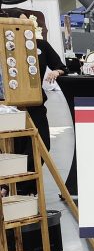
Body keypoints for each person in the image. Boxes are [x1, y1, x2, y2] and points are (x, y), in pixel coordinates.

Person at [0, 11, 67, 194]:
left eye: (26, 23)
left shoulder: (40, 45)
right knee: (12, 149)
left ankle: (24, 188)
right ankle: (10, 187)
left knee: (41, 144)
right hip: (7, 108)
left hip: (35, 105)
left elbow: (61, 66)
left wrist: (57, 72)